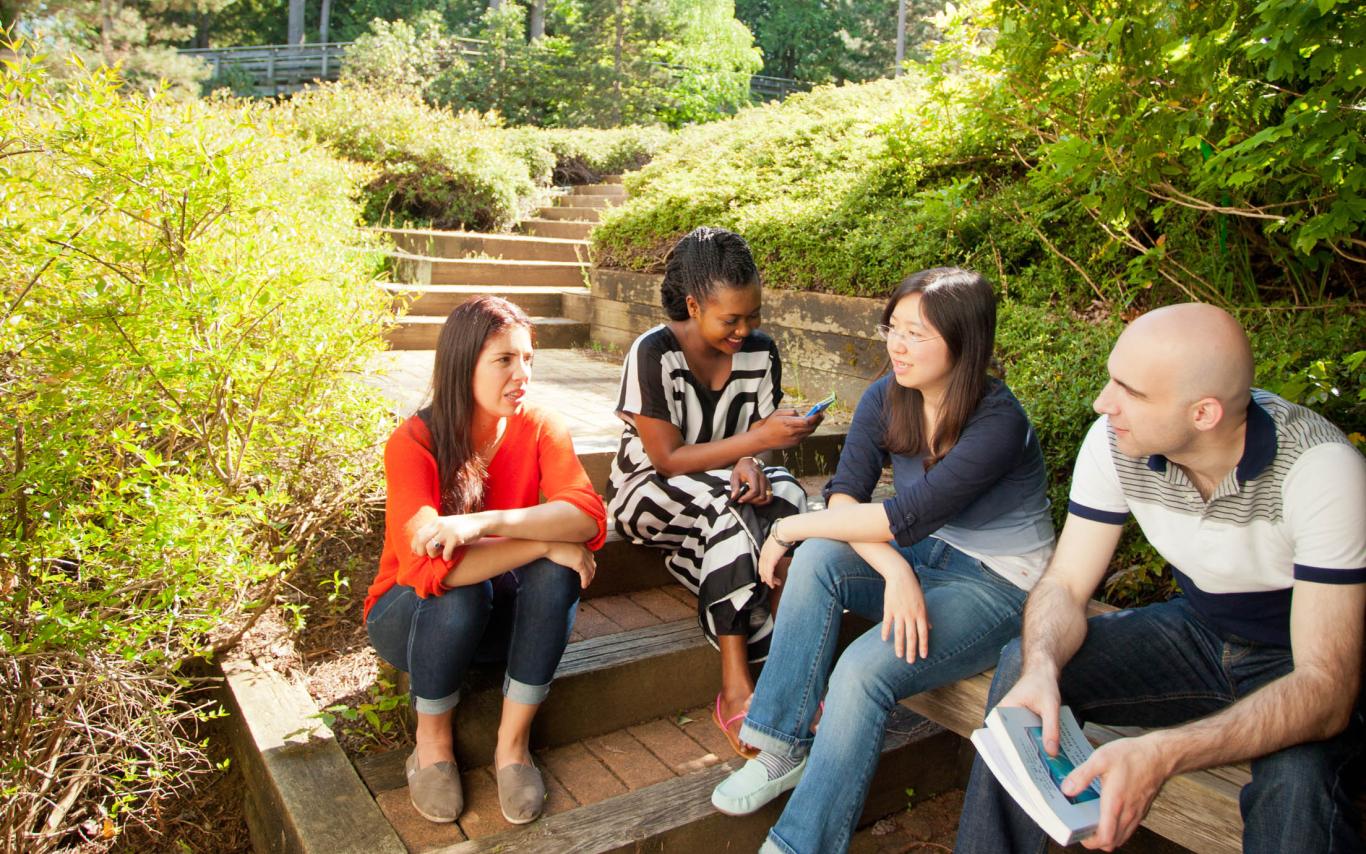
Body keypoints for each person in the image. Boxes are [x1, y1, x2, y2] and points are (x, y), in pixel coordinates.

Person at [955, 303, 1366, 854]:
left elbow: (1326, 690)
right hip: (1202, 629)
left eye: (1131, 391)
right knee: (1024, 676)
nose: (1103, 403)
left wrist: (1163, 752)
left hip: (1306, 659)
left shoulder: (1321, 471)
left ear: (1203, 413)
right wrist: (1043, 667)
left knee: (1297, 784)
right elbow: (1067, 585)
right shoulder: (1114, 442)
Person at [710, 267, 1057, 854]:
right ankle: (780, 747)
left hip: (999, 582)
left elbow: (903, 515)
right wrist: (896, 570)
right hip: (923, 550)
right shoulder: (889, 392)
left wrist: (790, 525)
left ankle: (802, 843)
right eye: (894, 327)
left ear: (965, 343)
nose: (897, 345)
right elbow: (846, 495)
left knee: (862, 669)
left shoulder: (998, 421)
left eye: (917, 334)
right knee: (821, 556)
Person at [362, 296, 607, 826]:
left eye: (528, 360)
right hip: (407, 619)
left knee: (557, 569)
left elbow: (586, 515)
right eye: (504, 360)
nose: (522, 375)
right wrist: (542, 540)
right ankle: (431, 746)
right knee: (469, 585)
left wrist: (485, 522)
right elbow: (430, 567)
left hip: (498, 618)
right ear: (462, 365)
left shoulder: (541, 425)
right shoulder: (414, 441)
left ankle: (513, 747)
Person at [607, 226, 821, 758]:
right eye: (731, 319)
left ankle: (727, 588)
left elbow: (761, 444)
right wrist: (754, 441)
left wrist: (760, 453)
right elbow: (668, 458)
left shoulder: (760, 352)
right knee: (733, 510)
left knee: (790, 496)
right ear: (694, 304)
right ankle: (736, 683)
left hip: (723, 481)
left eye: (754, 317)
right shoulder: (653, 353)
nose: (744, 330)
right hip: (649, 490)